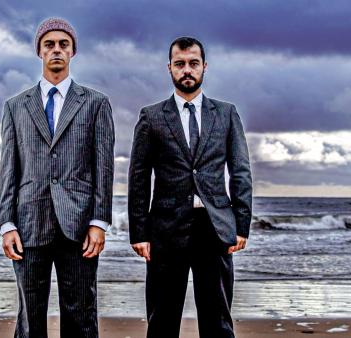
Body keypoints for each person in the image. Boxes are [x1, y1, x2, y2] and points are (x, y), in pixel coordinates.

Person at [0, 17, 114, 338]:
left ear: (73, 51)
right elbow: (9, 167)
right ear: (39, 52)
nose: (56, 50)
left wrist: (99, 222)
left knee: (81, 314)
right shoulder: (15, 106)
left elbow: (103, 167)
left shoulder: (95, 103)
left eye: (63, 44)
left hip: (78, 226)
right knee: (30, 316)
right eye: (49, 44)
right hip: (29, 224)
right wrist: (6, 224)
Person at [128, 36, 252, 338]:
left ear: (204, 67)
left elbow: (240, 170)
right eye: (180, 64)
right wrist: (139, 232)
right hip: (166, 230)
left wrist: (242, 224)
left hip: (215, 228)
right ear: (169, 68)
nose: (187, 70)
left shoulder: (225, 113)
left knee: (218, 321)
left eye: (193, 64)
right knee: (161, 321)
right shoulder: (152, 116)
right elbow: (139, 176)